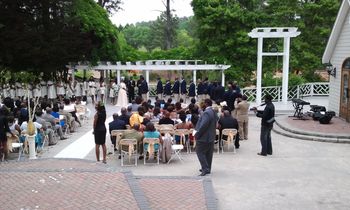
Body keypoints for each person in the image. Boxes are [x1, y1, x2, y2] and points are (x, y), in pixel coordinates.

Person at [194, 99, 217, 176]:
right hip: (211, 136)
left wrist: (198, 134)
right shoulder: (213, 111)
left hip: (204, 137)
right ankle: (208, 168)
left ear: (206, 104)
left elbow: (203, 125)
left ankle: (205, 168)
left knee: (200, 152)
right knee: (208, 153)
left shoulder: (206, 113)